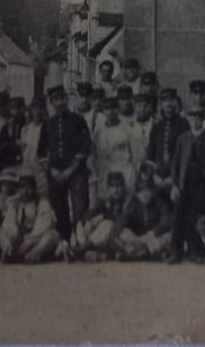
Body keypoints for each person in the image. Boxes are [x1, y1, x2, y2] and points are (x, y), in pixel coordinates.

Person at [169, 105, 205, 263]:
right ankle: (176, 251)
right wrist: (174, 184)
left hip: (201, 187)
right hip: (183, 185)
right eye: (192, 118)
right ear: (188, 119)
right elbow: (176, 162)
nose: (195, 122)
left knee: (197, 216)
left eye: (198, 119)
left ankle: (197, 251)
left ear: (203, 120)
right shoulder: (183, 138)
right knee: (178, 217)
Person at [39, 86, 93, 238]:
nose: (60, 103)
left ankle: (80, 242)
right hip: (55, 173)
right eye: (55, 99)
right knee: (59, 208)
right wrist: (53, 171)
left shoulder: (78, 120)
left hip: (76, 172)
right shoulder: (48, 124)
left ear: (67, 99)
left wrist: (71, 170)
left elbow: (85, 146)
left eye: (62, 98)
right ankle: (64, 242)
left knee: (80, 207)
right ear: (51, 103)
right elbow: (41, 152)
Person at [0, 173, 62, 263]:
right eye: (23, 188)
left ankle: (33, 254)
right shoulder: (13, 202)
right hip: (18, 239)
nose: (26, 191)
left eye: (29, 188)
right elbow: (10, 222)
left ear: (34, 189)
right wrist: (14, 236)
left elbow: (43, 226)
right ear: (18, 190)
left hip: (35, 239)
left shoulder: (42, 202)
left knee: (53, 235)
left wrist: (30, 241)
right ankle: (9, 250)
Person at [70, 172, 129, 261]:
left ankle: (82, 249)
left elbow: (121, 222)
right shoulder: (105, 202)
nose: (115, 190)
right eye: (112, 186)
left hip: (117, 237)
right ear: (108, 188)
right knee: (83, 224)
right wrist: (96, 217)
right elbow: (87, 216)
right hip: (100, 239)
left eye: (118, 186)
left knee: (107, 224)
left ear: (123, 187)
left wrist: (104, 217)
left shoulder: (127, 202)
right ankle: (88, 250)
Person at [91, 96, 139, 202]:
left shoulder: (127, 128)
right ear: (103, 111)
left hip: (124, 168)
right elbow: (94, 151)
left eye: (113, 108)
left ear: (118, 109)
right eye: (107, 109)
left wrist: (134, 168)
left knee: (128, 199)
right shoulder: (99, 129)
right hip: (105, 168)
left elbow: (135, 152)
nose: (110, 112)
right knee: (105, 200)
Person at [115, 176, 173, 261]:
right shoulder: (133, 204)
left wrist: (153, 232)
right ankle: (147, 254)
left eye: (147, 191)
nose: (145, 195)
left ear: (152, 191)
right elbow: (123, 221)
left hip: (154, 238)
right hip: (138, 239)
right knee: (124, 236)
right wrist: (130, 233)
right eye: (141, 192)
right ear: (137, 194)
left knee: (168, 237)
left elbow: (166, 220)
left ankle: (139, 254)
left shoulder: (159, 202)